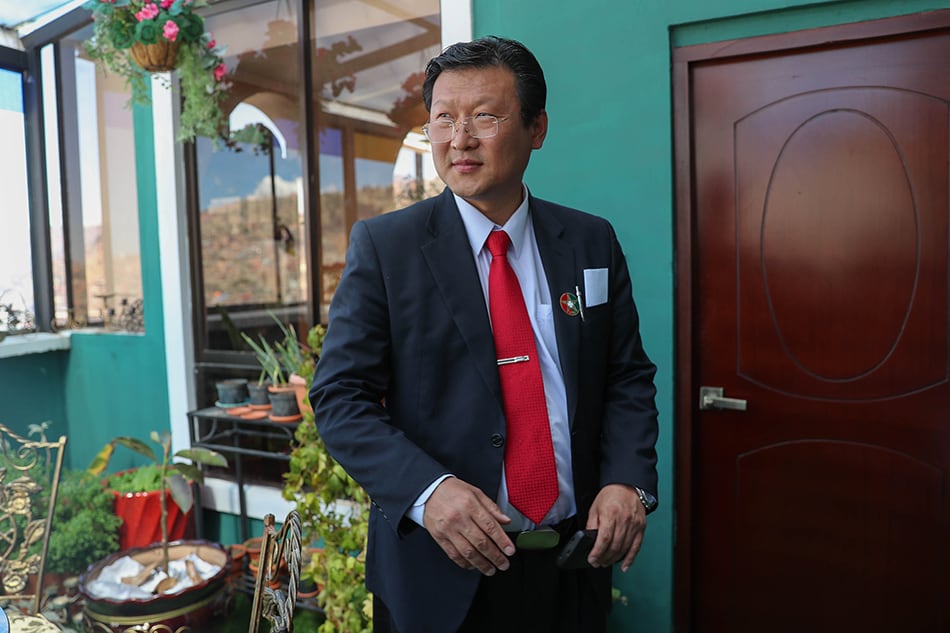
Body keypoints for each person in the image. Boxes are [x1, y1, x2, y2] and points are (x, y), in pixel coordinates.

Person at [309, 35, 659, 633]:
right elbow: (340, 398)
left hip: (572, 568)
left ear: (536, 128)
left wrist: (628, 479)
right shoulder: (388, 248)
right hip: (438, 575)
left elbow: (625, 374)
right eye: (443, 119)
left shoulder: (589, 241)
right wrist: (429, 492)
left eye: (484, 117)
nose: (459, 139)